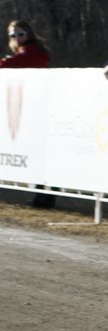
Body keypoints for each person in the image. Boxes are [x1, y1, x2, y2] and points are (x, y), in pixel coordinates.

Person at [2, 20, 54, 207]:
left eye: (20, 34)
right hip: (30, 106)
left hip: (37, 105)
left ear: (29, 34)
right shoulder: (26, 52)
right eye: (13, 35)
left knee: (40, 152)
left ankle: (45, 194)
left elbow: (12, 64)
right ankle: (42, 192)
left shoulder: (31, 52)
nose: (17, 38)